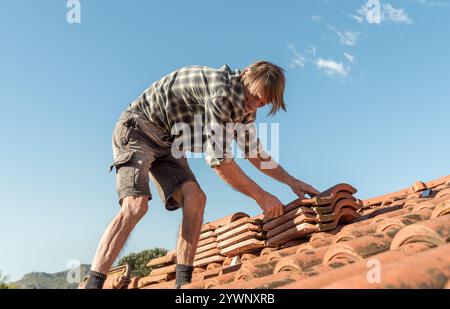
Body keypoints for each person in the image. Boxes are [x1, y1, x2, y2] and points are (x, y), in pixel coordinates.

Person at [82, 61, 319, 289]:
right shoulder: (222, 93)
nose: (253, 105)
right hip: (137, 130)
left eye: (261, 103)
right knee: (136, 206)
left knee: (195, 198)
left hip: (168, 144)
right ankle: (93, 285)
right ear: (245, 74)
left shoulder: (245, 111)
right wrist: (262, 196)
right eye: (253, 96)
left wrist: (291, 181)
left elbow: (254, 153)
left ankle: (182, 284)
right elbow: (220, 161)